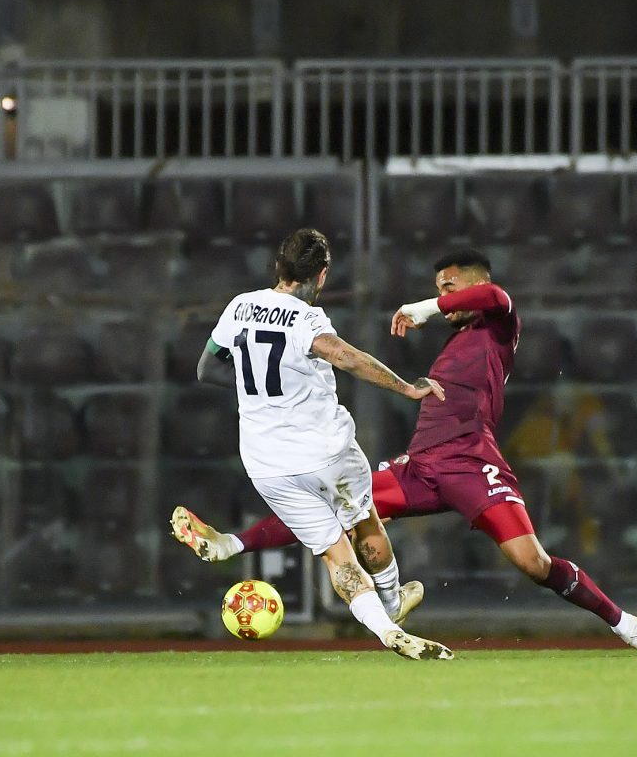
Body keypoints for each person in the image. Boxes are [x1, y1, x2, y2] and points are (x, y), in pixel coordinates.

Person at [173, 248, 637, 659]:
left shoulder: (498, 328)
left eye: (451, 287)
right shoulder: (456, 342)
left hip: (473, 465)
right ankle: (232, 545)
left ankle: (628, 626)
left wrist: (425, 307)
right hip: (420, 468)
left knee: (533, 562)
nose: (445, 298)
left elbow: (497, 296)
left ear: (476, 284)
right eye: (438, 288)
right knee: (334, 513)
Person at [191, 227, 453, 660]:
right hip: (325, 452)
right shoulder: (305, 318)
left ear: (279, 267)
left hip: (265, 464)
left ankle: (385, 630)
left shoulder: (239, 306)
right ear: (322, 275)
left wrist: (262, 396)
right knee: (364, 521)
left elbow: (206, 368)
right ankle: (392, 601)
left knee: (336, 556)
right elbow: (346, 357)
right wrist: (407, 388)